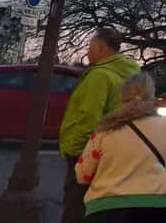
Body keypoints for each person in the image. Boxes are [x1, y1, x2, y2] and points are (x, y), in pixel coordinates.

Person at [60, 27, 140, 223]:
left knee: (76, 205)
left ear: (101, 48)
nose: (87, 51)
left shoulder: (99, 76)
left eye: (90, 46)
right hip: (115, 150)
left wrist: (75, 151)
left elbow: (88, 118)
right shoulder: (130, 76)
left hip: (88, 152)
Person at [75, 73, 166, 221]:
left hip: (107, 206)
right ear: (152, 96)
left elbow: (82, 175)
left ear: (122, 96)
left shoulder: (105, 129)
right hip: (156, 203)